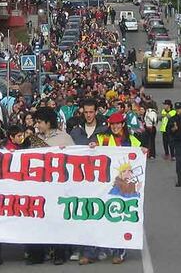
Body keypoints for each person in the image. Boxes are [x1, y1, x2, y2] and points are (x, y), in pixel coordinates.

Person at [84, 112, 147, 265]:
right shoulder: (103, 139)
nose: (115, 127)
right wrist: (92, 147)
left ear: (123, 125)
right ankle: (92, 252)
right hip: (101, 185)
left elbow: (138, 158)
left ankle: (120, 251)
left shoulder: (131, 141)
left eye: (118, 124)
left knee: (119, 216)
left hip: (121, 186)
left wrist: (142, 152)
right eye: (112, 124)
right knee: (96, 216)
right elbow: (92, 151)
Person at [34, 107, 74, 265]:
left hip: (58, 187)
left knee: (57, 220)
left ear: (48, 122)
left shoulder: (64, 138)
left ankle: (59, 253)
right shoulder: (34, 138)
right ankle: (39, 253)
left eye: (39, 122)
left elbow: (76, 158)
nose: (37, 125)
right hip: (40, 186)